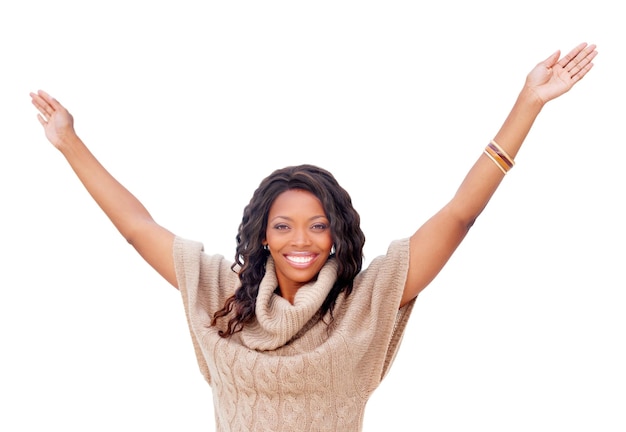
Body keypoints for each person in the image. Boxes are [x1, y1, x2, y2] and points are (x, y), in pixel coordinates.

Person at [30, 42, 597, 432]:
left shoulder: (364, 304)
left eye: (318, 225)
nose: (301, 239)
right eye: (284, 225)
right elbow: (137, 228)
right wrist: (69, 143)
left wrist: (528, 104)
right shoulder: (219, 294)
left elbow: (457, 217)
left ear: (335, 237)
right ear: (263, 237)